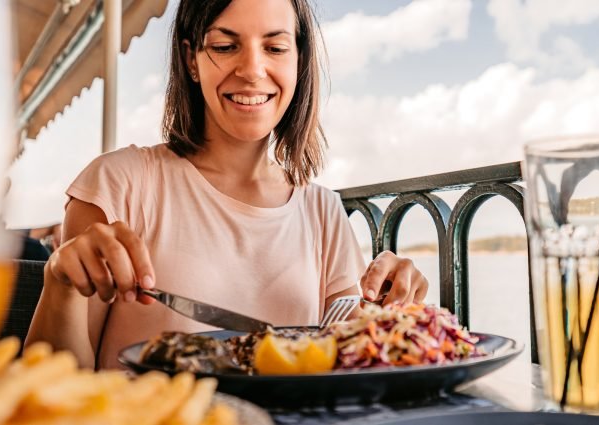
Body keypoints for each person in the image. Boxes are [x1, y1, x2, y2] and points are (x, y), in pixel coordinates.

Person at [26, 0, 429, 370]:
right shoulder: (120, 184)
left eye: (275, 48)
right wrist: (59, 285)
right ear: (191, 60)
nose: (252, 70)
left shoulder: (322, 210)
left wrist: (388, 305)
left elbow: (343, 340)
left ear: (299, 61)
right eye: (224, 46)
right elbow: (54, 390)